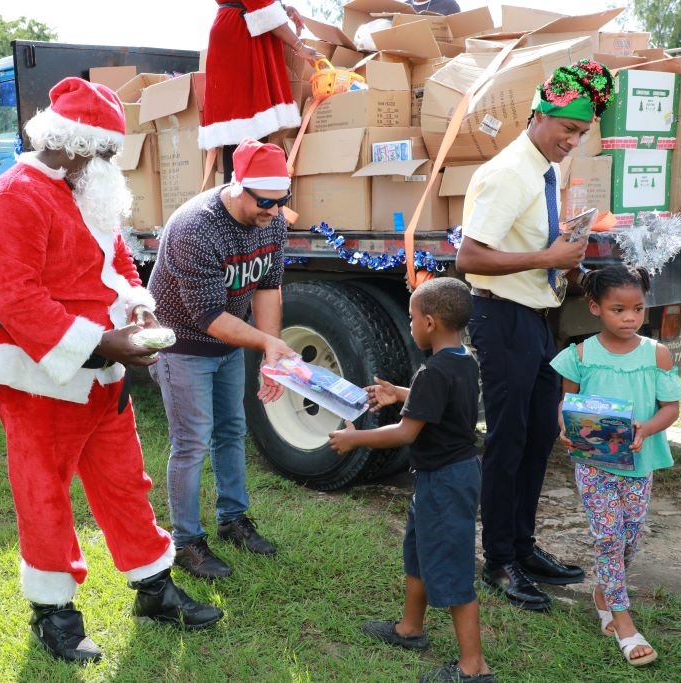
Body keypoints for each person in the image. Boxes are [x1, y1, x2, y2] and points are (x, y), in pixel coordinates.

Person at [0, 77, 223, 664]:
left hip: (101, 368)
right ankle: (54, 615)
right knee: (43, 493)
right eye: (107, 151)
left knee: (125, 481)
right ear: (77, 143)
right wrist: (104, 342)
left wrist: (139, 303)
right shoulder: (12, 197)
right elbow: (15, 299)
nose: (113, 163)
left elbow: (117, 256)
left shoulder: (82, 186)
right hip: (41, 376)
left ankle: (153, 588)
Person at [455, 60, 617, 610]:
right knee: (508, 441)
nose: (571, 142)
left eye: (580, 133)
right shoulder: (510, 172)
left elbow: (529, 245)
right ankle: (498, 560)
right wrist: (548, 255)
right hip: (501, 317)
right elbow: (469, 256)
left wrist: (567, 264)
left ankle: (523, 547)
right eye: (566, 130)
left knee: (538, 437)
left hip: (536, 317)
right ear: (540, 113)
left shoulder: (543, 168)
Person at [329, 278, 496, 683]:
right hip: (447, 477)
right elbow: (437, 399)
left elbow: (405, 434)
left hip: (445, 482)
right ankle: (410, 628)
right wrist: (400, 392)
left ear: (431, 322)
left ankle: (474, 668)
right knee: (419, 551)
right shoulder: (462, 359)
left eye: (411, 318)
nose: (410, 325)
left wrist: (354, 439)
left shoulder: (433, 371)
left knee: (452, 568)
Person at [147, 138, 296, 580]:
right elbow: (209, 317)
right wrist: (265, 345)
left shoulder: (273, 222)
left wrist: (270, 351)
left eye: (281, 200)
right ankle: (186, 541)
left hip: (229, 343)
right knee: (192, 442)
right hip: (182, 344)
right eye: (265, 201)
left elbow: (269, 285)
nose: (273, 210)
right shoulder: (196, 227)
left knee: (232, 430)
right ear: (238, 185)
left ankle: (233, 519)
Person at [551, 264, 680, 667]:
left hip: (639, 461)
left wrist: (647, 428)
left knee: (631, 535)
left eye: (638, 309)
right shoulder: (580, 355)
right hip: (594, 464)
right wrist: (564, 428)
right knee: (608, 536)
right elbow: (567, 404)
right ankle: (623, 620)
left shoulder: (656, 354)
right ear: (594, 307)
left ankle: (605, 592)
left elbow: (671, 408)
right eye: (618, 309)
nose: (629, 318)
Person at [200, 1, 318, 182]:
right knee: (246, 127)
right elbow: (263, 7)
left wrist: (281, 8)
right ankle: (242, 199)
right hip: (241, 38)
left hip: (239, 32)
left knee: (243, 129)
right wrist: (300, 47)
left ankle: (245, 196)